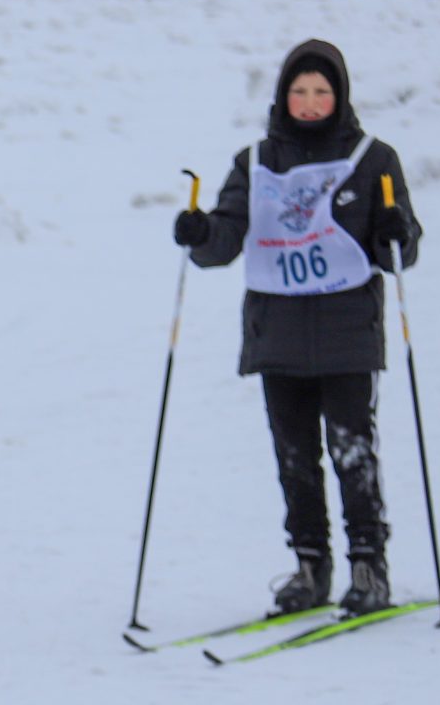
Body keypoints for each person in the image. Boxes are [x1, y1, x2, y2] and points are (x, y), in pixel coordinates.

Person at [176, 39, 421, 617]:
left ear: (340, 96)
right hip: (278, 334)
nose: (310, 102)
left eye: (321, 91)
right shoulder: (255, 162)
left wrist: (396, 233)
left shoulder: (372, 158)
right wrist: (200, 233)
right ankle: (311, 566)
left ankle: (369, 566)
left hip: (348, 334)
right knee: (294, 458)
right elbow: (224, 240)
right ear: (283, 97)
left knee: (352, 453)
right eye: (299, 91)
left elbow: (400, 251)